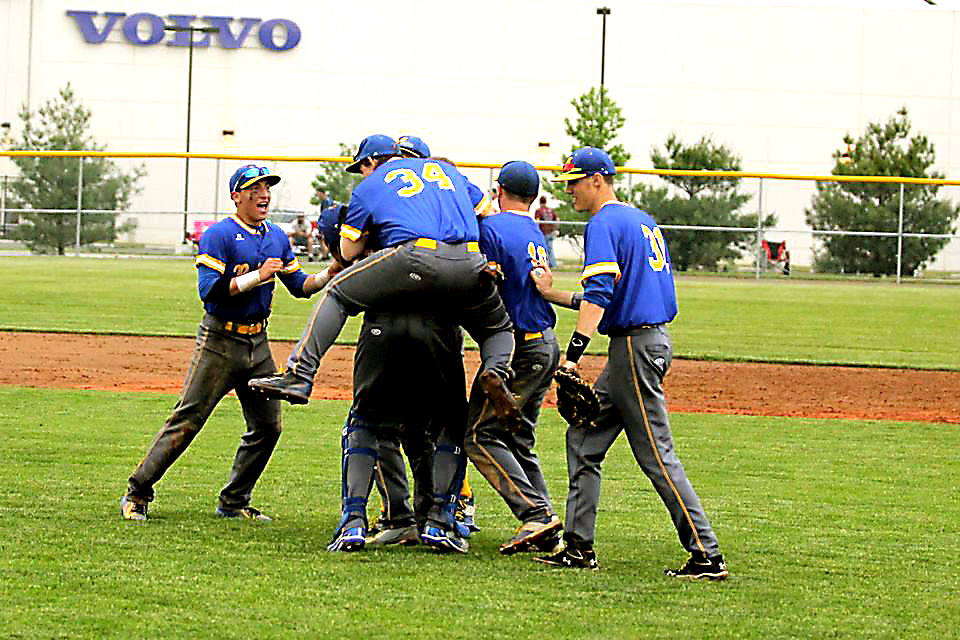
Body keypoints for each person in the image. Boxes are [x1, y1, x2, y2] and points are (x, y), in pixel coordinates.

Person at [249, 134, 520, 549]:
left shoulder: (374, 184)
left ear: (373, 161)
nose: (362, 172)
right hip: (462, 275)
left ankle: (354, 515)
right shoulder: (447, 172)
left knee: (367, 417)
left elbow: (348, 247)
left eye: (361, 165)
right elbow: (489, 219)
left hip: (397, 292)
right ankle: (442, 518)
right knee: (450, 417)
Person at [530, 147, 728, 579]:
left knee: (657, 454)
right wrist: (551, 295)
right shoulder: (641, 220)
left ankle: (707, 554)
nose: (571, 193)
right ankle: (580, 548)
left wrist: (572, 356)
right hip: (641, 343)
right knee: (584, 438)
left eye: (575, 183)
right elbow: (610, 299)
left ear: (598, 179)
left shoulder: (603, 222)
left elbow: (600, 294)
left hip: (636, 349)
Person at [119, 165, 326, 522]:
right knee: (188, 419)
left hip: (258, 343)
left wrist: (332, 272)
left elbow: (300, 285)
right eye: (254, 188)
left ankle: (233, 502)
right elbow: (209, 291)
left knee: (268, 426)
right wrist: (257, 277)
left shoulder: (277, 236)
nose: (264, 194)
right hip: (219, 340)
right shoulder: (219, 235)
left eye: (266, 188)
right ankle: (137, 493)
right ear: (236, 196)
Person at [468, 161, 563, 556]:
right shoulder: (533, 230)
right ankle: (547, 525)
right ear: (534, 197)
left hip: (521, 350)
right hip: (545, 345)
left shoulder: (492, 229)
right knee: (519, 437)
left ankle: (535, 514)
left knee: (476, 433)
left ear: (499, 190)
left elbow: (478, 276)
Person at [534, 196, 558, 268]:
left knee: (543, 249)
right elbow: (557, 219)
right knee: (550, 248)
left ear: (540, 202)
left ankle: (546, 264)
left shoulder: (539, 210)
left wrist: (536, 231)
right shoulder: (550, 210)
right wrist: (556, 229)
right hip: (551, 231)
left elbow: (537, 221)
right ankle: (552, 264)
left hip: (543, 232)